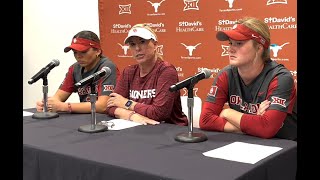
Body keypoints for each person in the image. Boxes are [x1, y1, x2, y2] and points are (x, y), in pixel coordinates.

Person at [199, 17, 297, 140]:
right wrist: (254, 123)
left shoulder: (280, 78)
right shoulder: (226, 74)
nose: (231, 49)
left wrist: (227, 113)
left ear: (259, 48)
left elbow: (267, 128)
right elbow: (205, 120)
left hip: (286, 148)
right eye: (230, 43)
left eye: (239, 43)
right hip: (248, 143)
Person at [105, 23, 188, 125]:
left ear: (155, 45)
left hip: (169, 130)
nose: (137, 49)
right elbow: (110, 105)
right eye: (132, 44)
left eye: (142, 42)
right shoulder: (128, 72)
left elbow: (159, 113)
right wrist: (132, 116)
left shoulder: (166, 71)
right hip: (139, 126)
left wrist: (126, 103)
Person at [36, 30, 120, 113]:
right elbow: (58, 98)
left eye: (83, 52)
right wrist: (46, 104)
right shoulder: (74, 68)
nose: (78, 56)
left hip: (107, 119)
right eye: (75, 52)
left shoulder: (107, 68)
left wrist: (65, 106)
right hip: (85, 118)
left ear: (98, 51)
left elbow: (103, 106)